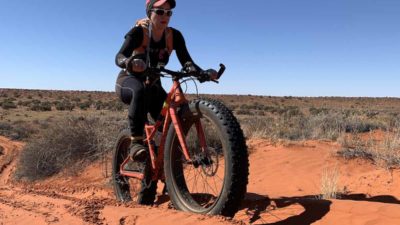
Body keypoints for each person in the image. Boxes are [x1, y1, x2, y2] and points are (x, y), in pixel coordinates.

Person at [115, 0, 217, 171]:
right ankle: (136, 143)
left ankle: (165, 168)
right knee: (140, 90)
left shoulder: (174, 36)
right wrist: (129, 62)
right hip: (128, 81)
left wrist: (202, 72)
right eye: (160, 11)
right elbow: (119, 56)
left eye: (169, 13)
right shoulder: (138, 32)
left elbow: (187, 61)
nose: (165, 16)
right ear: (150, 12)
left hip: (153, 86)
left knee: (171, 127)